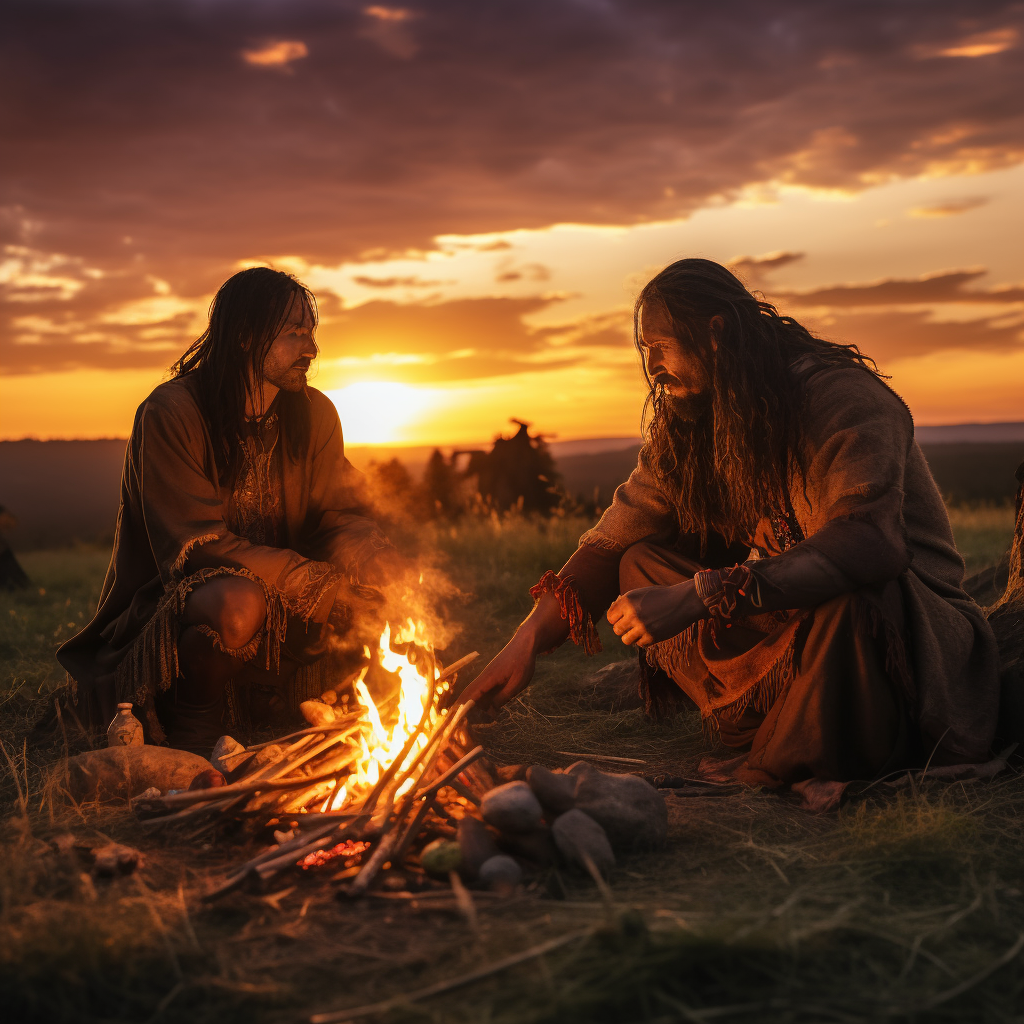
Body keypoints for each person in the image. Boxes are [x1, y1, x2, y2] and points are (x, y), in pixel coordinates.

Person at [463, 259, 1000, 789]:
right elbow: (616, 534)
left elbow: (867, 546)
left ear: (715, 333)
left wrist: (702, 594)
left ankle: (802, 747)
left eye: (660, 347)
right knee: (640, 563)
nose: (652, 367)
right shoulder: (696, 421)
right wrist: (528, 639)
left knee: (850, 605)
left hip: (910, 636)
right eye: (646, 350)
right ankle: (788, 720)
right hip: (793, 619)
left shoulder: (844, 399)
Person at [58, 268, 403, 752]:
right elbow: (200, 546)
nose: (312, 348)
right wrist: (320, 587)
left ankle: (284, 699)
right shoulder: (171, 412)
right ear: (245, 337)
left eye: (312, 333)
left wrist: (373, 557)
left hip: (288, 603)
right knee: (239, 603)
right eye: (295, 333)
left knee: (386, 581)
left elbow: (337, 514)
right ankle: (193, 721)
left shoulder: (316, 412)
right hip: (186, 606)